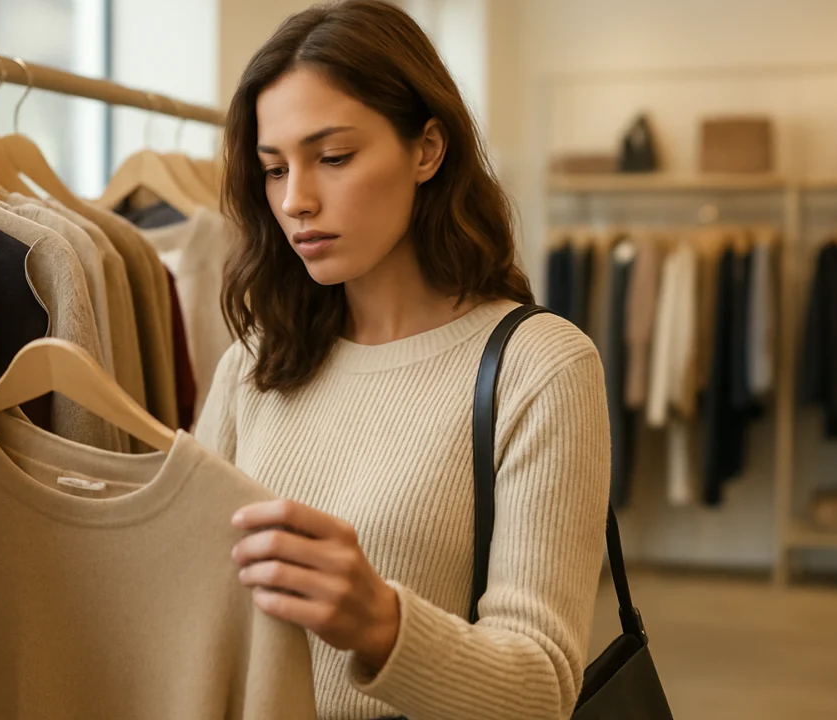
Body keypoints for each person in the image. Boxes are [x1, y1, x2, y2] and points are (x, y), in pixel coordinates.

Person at [195, 2, 611, 718]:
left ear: (427, 149)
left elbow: (542, 690)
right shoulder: (255, 364)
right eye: (272, 170)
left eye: (333, 158)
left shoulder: (540, 367)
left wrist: (380, 623)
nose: (295, 200)